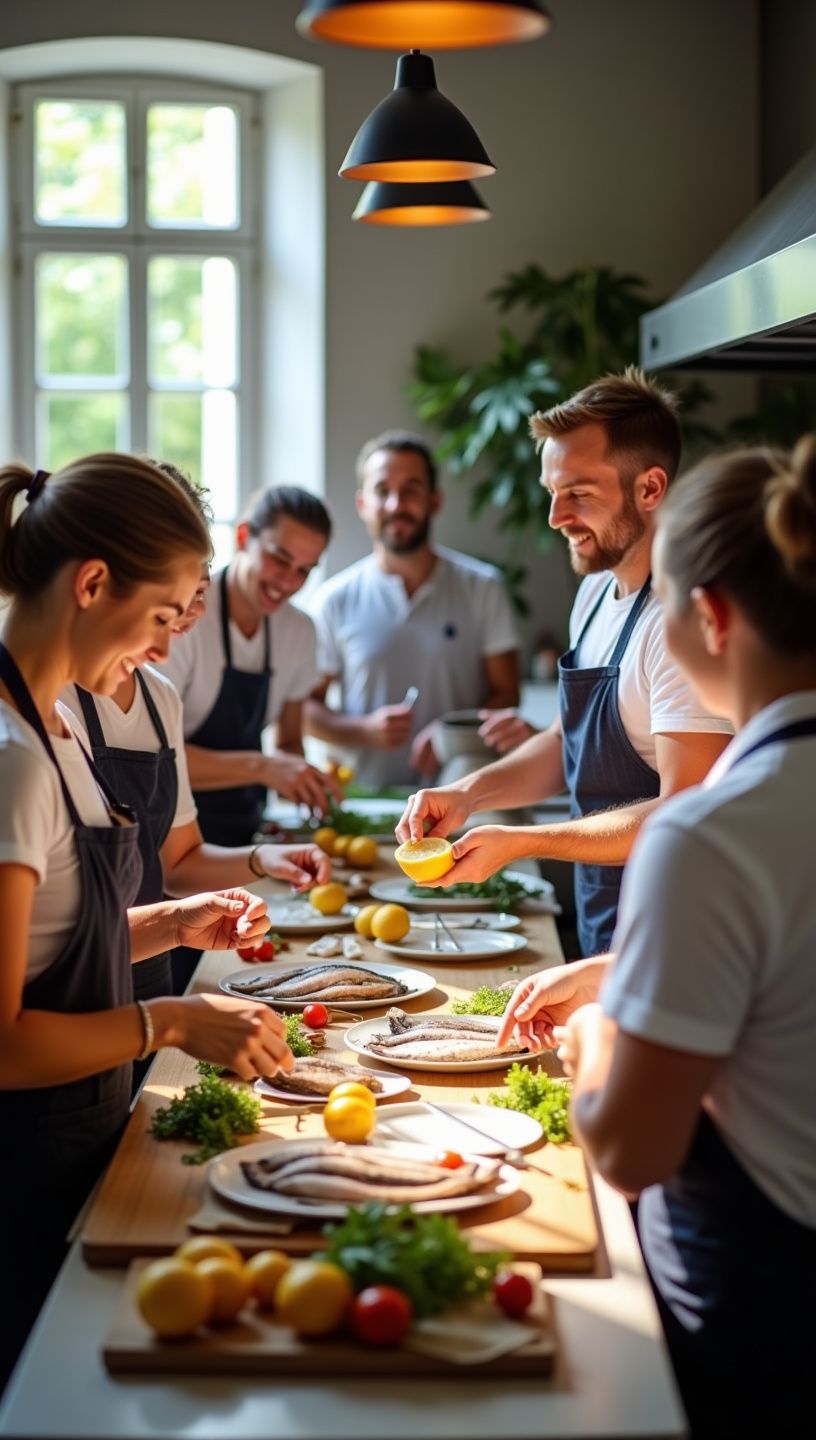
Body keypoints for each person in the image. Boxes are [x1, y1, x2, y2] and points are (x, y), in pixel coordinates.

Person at [497, 438, 816, 1436]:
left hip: (761, 1326)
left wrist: (597, 1035)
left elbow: (630, 1147)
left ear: (710, 617)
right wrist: (623, 972)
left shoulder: (709, 832)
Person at [0, 454, 295, 1389]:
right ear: (92, 584)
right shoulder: (12, 761)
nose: (168, 647)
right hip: (20, 1166)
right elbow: (2, 1042)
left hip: (83, 1130)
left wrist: (171, 926)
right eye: (164, 616)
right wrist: (168, 1021)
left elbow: (52, 950)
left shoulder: (61, 733)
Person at [396, 371, 732, 956]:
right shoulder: (596, 592)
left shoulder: (682, 625)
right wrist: (468, 794)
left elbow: (685, 810)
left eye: (578, 493)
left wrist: (523, 842)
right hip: (605, 913)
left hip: (676, 935)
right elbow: (564, 742)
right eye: (552, 491)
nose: (555, 517)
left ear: (650, 489)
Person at [60, 463, 331, 1049]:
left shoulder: (160, 698)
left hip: (148, 986)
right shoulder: (46, 711)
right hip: (76, 1014)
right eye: (168, 609)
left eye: (197, 596)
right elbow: (47, 940)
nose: (171, 638)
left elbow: (175, 863)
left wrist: (261, 861)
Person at [304, 430, 522, 789]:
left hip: (463, 798)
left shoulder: (483, 587)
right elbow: (305, 711)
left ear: (435, 501)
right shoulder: (333, 599)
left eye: (411, 490)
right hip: (363, 802)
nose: (395, 505)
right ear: (363, 504)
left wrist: (451, 732)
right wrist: (364, 730)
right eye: (382, 491)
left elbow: (506, 692)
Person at [163, 485, 342, 849]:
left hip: (246, 829)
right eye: (279, 559)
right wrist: (263, 768)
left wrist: (302, 779)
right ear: (244, 537)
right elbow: (157, 759)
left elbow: (290, 741)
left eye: (304, 570)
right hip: (172, 830)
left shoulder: (300, 631)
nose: (288, 582)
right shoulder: (186, 616)